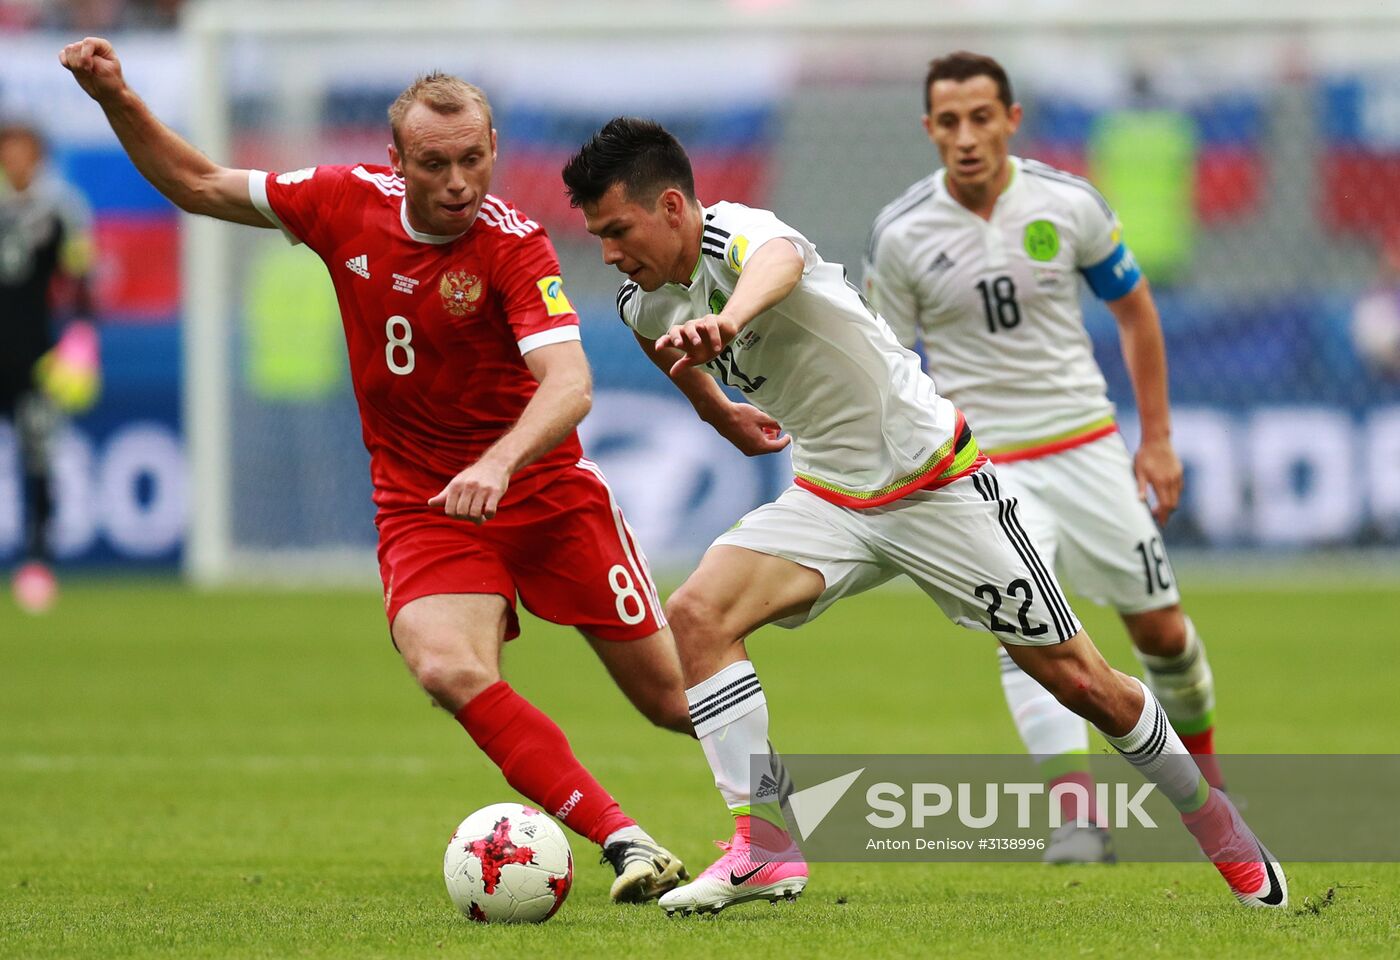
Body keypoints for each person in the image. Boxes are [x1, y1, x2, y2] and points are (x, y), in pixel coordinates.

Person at [561, 117, 1286, 916]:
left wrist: (728, 324)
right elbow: (658, 338)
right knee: (698, 615)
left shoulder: (741, 233)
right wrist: (717, 410)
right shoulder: (642, 300)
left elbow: (781, 261)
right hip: (831, 496)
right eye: (598, 236)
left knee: (1081, 681)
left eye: (618, 230)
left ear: (671, 206)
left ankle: (1218, 826)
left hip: (935, 482)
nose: (610, 253)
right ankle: (764, 847)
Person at [60, 36, 689, 903]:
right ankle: (626, 842)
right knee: (448, 668)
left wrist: (500, 462)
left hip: (544, 493)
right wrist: (115, 98)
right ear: (396, 161)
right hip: (427, 504)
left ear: (493, 148)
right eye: (435, 164)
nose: (460, 182)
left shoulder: (515, 247)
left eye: (473, 160)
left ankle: (823, 805)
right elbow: (198, 184)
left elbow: (570, 384)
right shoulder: (339, 201)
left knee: (675, 701)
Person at [864, 52, 1226, 864]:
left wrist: (1157, 439)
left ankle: (1210, 787)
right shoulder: (901, 232)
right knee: (1026, 630)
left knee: (1163, 634)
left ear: (1011, 120)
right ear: (928, 129)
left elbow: (1135, 312)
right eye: (949, 122)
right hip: (984, 463)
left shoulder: (1069, 204)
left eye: (981, 117)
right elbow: (884, 361)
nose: (966, 137)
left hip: (1086, 445)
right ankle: (1077, 818)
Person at [1, 120, 100, 614]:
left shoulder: (61, 210)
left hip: (34, 358)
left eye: (24, 151)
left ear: (39, 157)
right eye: (7, 151)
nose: (15, 160)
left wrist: (80, 342)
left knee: (37, 457)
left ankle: (37, 562)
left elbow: (81, 282)